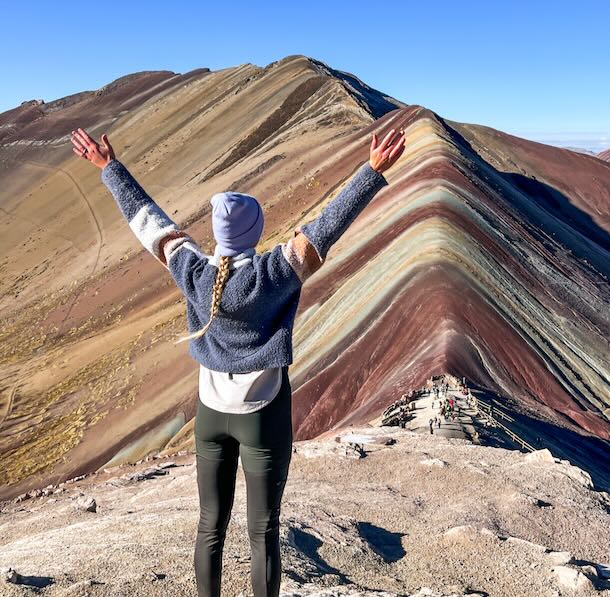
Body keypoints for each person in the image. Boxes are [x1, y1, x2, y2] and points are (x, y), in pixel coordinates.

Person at [70, 125, 406, 597]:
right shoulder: (275, 272)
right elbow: (326, 227)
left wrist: (110, 169)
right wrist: (371, 172)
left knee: (210, 526)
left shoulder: (193, 270)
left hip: (210, 415)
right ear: (255, 232)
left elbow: (150, 223)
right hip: (262, 415)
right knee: (262, 533)